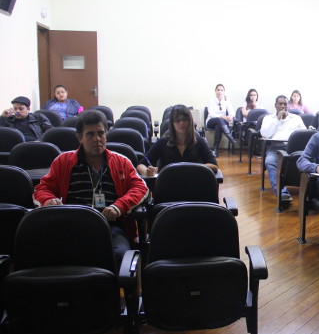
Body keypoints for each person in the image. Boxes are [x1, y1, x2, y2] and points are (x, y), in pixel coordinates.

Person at [33, 109, 149, 270]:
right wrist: (47, 200)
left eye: (101, 133)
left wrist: (119, 206)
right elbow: (42, 188)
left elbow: (140, 188)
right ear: (80, 138)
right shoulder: (63, 161)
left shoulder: (121, 161)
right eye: (90, 134)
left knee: (121, 256)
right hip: (71, 224)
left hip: (109, 224)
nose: (97, 139)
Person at [137, 104, 218, 176]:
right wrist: (146, 172)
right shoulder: (162, 142)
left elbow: (214, 166)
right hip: (168, 186)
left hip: (192, 185)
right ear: (172, 123)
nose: (181, 123)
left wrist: (195, 168)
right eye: (177, 120)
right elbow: (141, 165)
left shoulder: (200, 141)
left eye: (185, 119)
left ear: (190, 121)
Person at [260, 95, 306, 202]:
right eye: (280, 104)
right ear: (275, 105)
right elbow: (265, 134)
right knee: (269, 161)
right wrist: (277, 120)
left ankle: (309, 191)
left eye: (285, 104)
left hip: (293, 148)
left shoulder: (296, 118)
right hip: (276, 148)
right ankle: (282, 193)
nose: (283, 106)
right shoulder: (268, 118)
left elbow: (303, 133)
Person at [206, 83, 237, 156]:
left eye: (221, 90)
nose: (220, 92)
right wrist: (222, 116)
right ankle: (231, 138)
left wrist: (230, 116)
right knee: (218, 120)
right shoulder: (211, 100)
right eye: (218, 90)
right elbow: (211, 114)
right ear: (215, 91)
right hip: (211, 121)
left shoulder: (226, 100)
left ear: (224, 91)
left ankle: (215, 150)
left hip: (221, 123)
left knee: (218, 126)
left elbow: (232, 112)